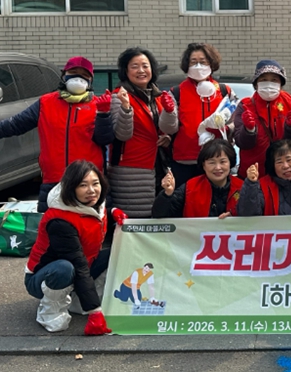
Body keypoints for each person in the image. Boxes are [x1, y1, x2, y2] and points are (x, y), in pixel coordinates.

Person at [24, 160, 127, 335]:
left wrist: (113, 212)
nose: (91, 190)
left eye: (95, 183)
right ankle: (50, 311)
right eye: (83, 185)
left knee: (116, 253)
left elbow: (93, 218)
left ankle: (79, 298)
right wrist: (94, 312)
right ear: (71, 188)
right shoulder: (60, 221)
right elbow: (78, 264)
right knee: (65, 268)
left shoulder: (93, 204)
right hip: (43, 277)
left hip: (83, 264)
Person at [0, 57, 113, 212]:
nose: (78, 78)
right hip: (53, 182)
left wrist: (104, 115)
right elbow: (15, 124)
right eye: (73, 72)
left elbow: (105, 139)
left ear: (91, 80)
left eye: (84, 75)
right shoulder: (45, 103)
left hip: (87, 185)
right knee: (51, 225)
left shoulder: (98, 105)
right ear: (63, 75)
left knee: (89, 226)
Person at [110, 47, 179, 218]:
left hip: (160, 165)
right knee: (135, 219)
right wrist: (126, 109)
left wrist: (168, 131)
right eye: (134, 66)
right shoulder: (119, 97)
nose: (141, 70)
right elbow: (122, 134)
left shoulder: (159, 96)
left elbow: (170, 128)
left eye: (145, 66)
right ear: (125, 71)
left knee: (159, 217)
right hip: (131, 170)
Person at [169, 43, 231, 185]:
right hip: (185, 159)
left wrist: (228, 129)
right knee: (185, 196)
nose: (198, 66)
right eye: (193, 62)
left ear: (211, 63)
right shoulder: (176, 92)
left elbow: (235, 121)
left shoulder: (224, 91)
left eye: (203, 62)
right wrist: (168, 112)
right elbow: (169, 127)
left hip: (216, 160)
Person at [232, 60, 291, 180]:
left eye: (274, 80)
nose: (269, 84)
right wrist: (249, 130)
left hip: (284, 173)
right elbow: (241, 143)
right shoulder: (245, 106)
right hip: (254, 172)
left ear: (280, 84)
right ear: (256, 84)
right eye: (264, 79)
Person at [152, 139, 243, 218]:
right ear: (203, 165)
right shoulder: (189, 188)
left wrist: (235, 219)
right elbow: (159, 216)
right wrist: (167, 195)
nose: (218, 167)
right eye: (212, 163)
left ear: (230, 163)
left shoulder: (243, 188)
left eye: (222, 162)